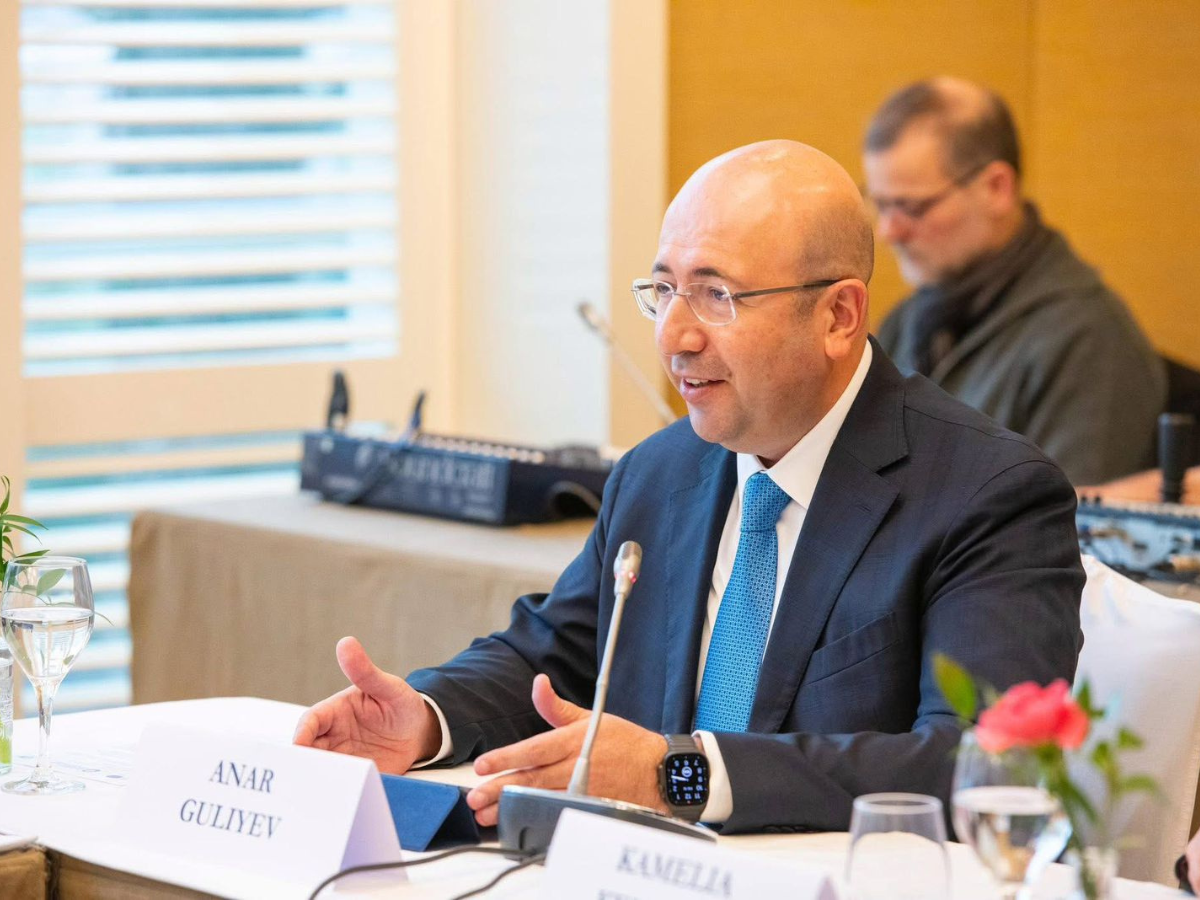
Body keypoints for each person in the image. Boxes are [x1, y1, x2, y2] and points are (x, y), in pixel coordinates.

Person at [295, 140, 1084, 833]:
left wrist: (679, 774)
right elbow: (559, 653)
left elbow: (980, 763)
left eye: (717, 295)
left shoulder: (985, 495)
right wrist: (426, 717)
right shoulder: (659, 471)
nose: (674, 335)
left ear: (839, 316)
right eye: (664, 290)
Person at [863, 77, 1166, 487]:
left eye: (911, 206)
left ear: (996, 188)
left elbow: (1068, 519)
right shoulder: (907, 320)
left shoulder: (1090, 340)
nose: (889, 232)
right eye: (881, 205)